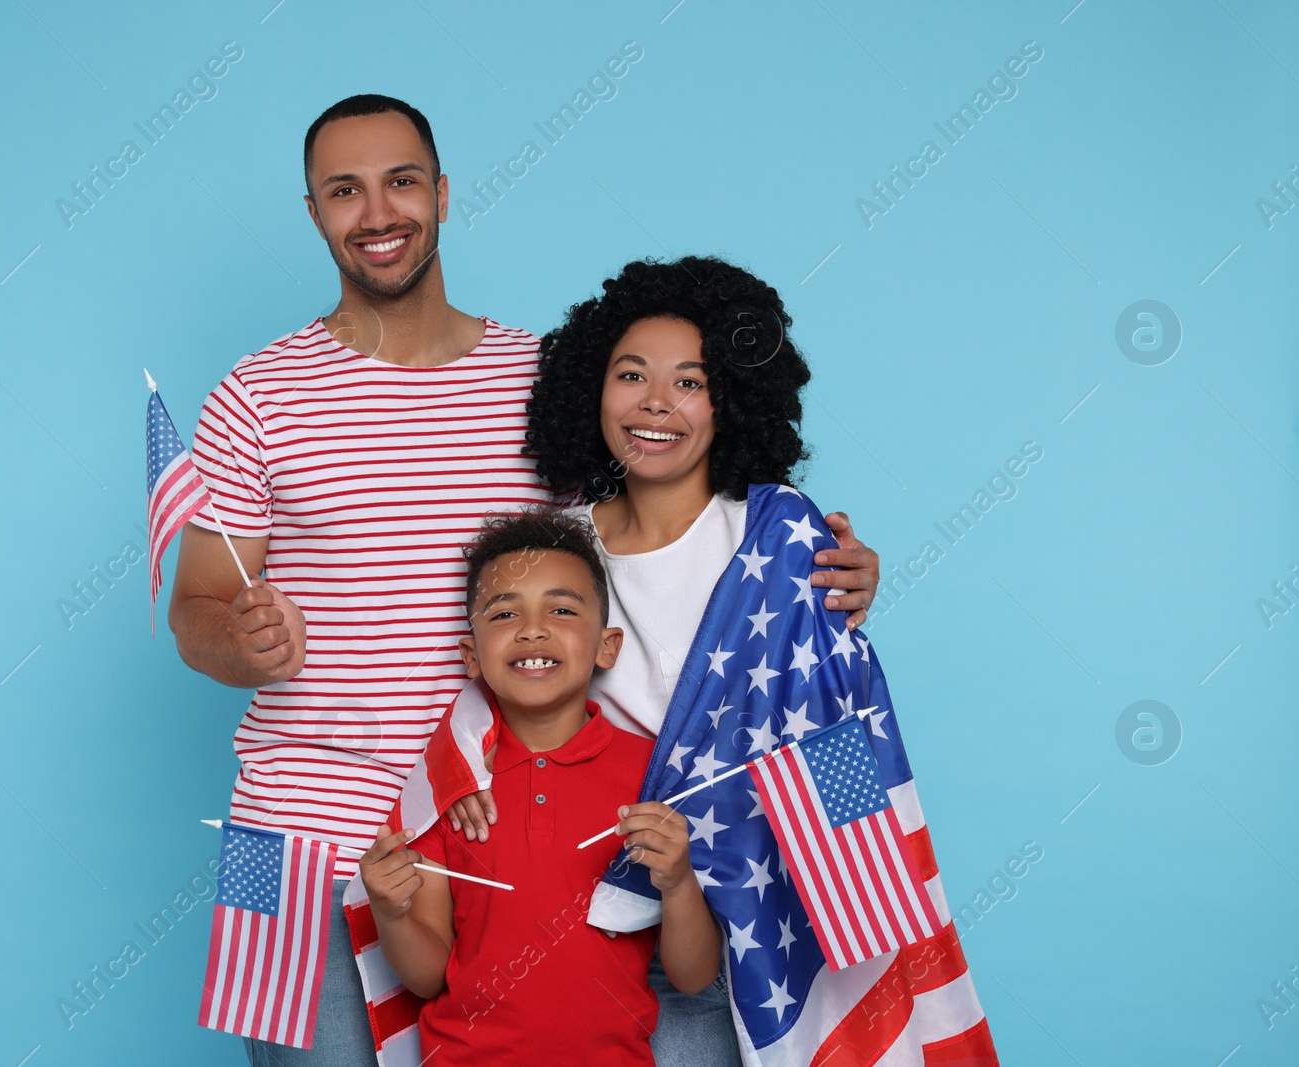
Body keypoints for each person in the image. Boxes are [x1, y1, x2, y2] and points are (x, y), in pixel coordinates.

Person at [166, 94, 880, 1066]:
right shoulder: (252, 396)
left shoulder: (543, 382)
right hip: (305, 838)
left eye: (401, 181)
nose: (378, 212)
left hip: (539, 839)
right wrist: (232, 636)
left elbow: (664, 528)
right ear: (313, 211)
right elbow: (194, 606)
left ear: (444, 194)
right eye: (344, 190)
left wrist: (810, 577)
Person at [441, 255, 994, 1063]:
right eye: (631, 374)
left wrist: (853, 593)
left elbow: (839, 713)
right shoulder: (566, 551)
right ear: (591, 388)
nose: (656, 403)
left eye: (690, 382)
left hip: (769, 897)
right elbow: (494, 680)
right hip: (617, 913)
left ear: (731, 398)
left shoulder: (778, 533)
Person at [358, 508, 721, 1067]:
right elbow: (429, 977)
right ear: (471, 655)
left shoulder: (655, 778)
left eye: (561, 609)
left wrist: (677, 882)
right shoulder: (446, 786)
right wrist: (390, 910)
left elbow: (693, 976)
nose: (532, 629)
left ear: (607, 646)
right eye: (504, 613)